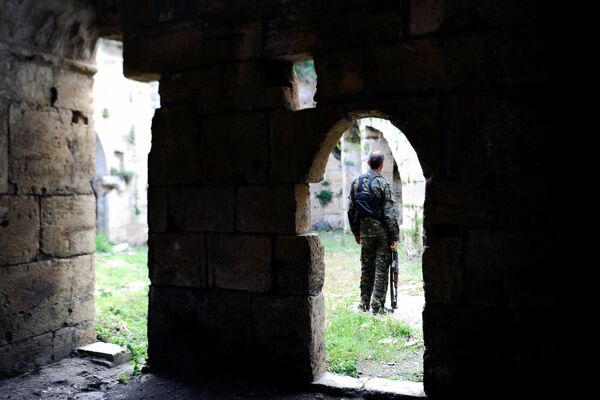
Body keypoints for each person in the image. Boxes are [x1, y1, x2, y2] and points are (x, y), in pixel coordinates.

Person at [348, 151, 400, 314]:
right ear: (381, 165)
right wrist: (394, 238)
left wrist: (356, 232)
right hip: (382, 233)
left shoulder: (356, 182)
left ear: (368, 163)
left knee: (366, 267)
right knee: (381, 268)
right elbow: (390, 214)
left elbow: (351, 210)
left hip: (365, 232)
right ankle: (377, 306)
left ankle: (364, 303)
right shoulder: (382, 183)